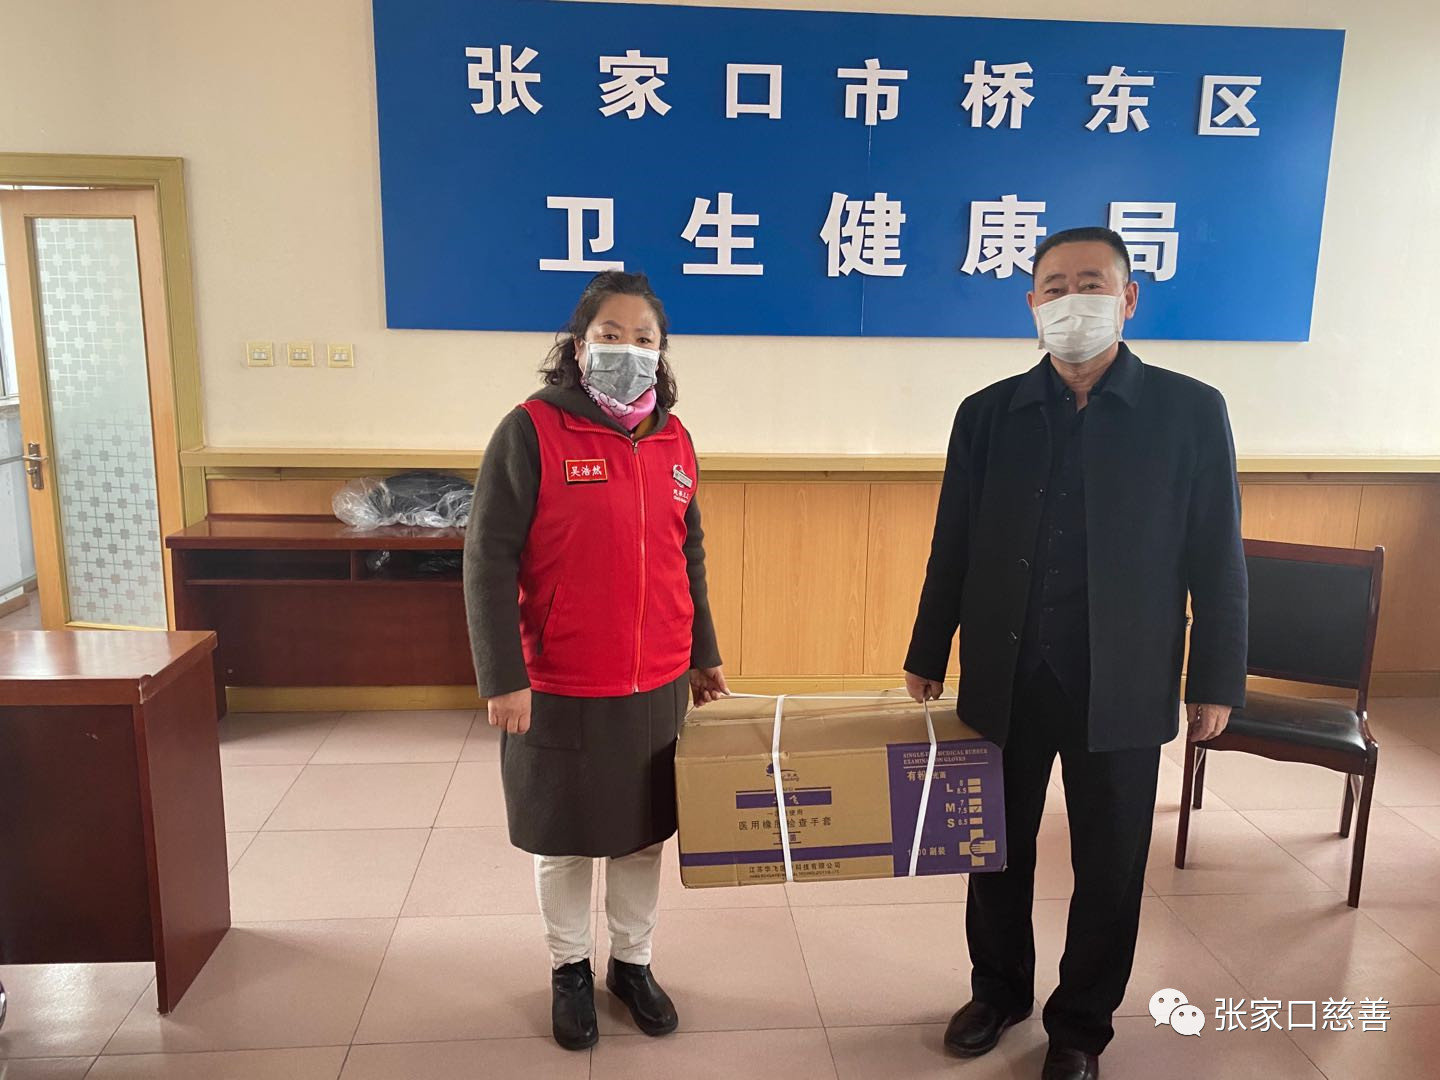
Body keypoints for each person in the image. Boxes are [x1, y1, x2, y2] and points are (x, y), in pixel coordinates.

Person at [904, 227, 1248, 1080]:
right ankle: (998, 992)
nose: (1071, 301)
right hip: (1007, 673)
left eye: (1090, 283)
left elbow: (1217, 554)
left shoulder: (1189, 411)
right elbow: (954, 543)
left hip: (1124, 681)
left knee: (1109, 864)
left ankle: (1082, 1027)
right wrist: (928, 649)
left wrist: (1215, 677)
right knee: (994, 849)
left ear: (1128, 298)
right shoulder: (987, 414)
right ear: (1032, 304)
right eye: (1053, 287)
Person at [463, 270, 729, 1052]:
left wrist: (703, 653)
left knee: (642, 834)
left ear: (661, 352)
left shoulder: (675, 440)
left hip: (657, 678)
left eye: (644, 339)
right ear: (579, 347)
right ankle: (569, 968)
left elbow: (688, 554)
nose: (628, 350)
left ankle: (632, 964)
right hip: (561, 681)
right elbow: (488, 558)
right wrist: (503, 676)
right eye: (611, 335)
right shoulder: (532, 430)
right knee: (567, 834)